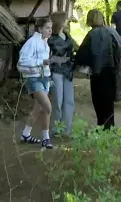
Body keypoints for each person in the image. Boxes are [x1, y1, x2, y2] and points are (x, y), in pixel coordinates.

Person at [75, 9, 121, 129]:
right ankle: (110, 126)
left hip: (97, 72)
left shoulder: (91, 34)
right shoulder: (112, 31)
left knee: (98, 101)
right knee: (108, 101)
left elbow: (82, 54)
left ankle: (101, 125)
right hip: (111, 70)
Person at [17, 17, 54, 149]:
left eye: (51, 28)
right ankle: (46, 138)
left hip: (44, 78)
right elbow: (22, 61)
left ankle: (25, 134)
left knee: (37, 109)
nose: (50, 31)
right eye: (47, 28)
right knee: (47, 107)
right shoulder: (32, 42)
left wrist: (48, 76)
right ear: (40, 29)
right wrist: (41, 62)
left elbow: (45, 64)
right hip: (34, 78)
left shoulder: (45, 43)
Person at [47, 11, 77, 137]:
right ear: (60, 21)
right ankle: (56, 129)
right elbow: (49, 57)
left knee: (69, 101)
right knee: (57, 101)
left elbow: (75, 49)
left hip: (68, 71)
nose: (67, 21)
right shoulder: (51, 39)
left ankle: (66, 129)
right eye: (65, 19)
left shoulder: (67, 36)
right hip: (56, 72)